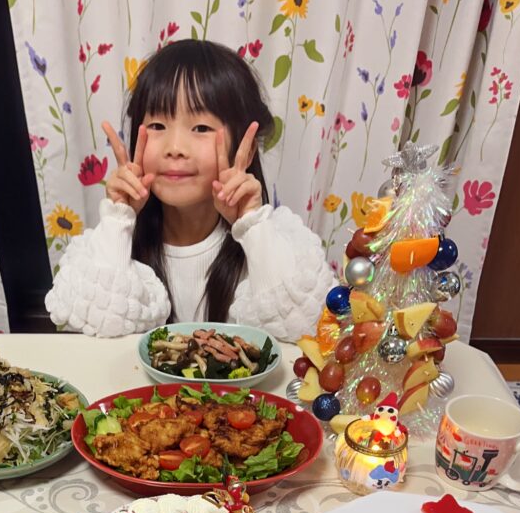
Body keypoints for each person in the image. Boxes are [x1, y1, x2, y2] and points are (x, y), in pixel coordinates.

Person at [45, 38, 333, 341]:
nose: (175, 148)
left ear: (246, 151)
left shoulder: (277, 245)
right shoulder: (111, 247)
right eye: (157, 126)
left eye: (201, 128)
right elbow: (92, 336)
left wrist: (252, 226)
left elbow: (304, 334)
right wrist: (118, 221)